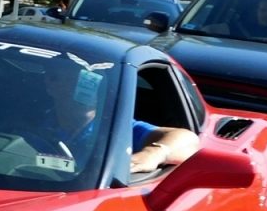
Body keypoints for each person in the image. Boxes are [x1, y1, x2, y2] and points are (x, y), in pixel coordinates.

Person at [36, 65, 199, 175]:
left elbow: (188, 140)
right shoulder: (32, 125)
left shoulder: (116, 128)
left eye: (95, 80)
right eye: (83, 80)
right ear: (51, 83)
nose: (91, 87)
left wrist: (153, 154)